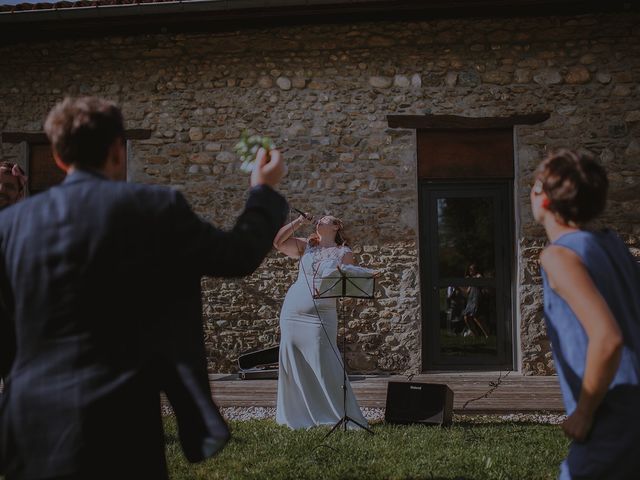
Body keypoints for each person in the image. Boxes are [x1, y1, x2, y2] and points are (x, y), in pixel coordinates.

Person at [0, 96, 288, 480]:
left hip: (32, 419)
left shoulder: (11, 226)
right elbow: (236, 255)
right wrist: (263, 191)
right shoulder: (156, 208)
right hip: (122, 413)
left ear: (57, 156)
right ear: (118, 150)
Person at [531, 149, 640, 479]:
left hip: (614, 413)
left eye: (534, 187)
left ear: (545, 200)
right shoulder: (614, 245)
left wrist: (584, 412)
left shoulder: (559, 257)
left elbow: (607, 339)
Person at [273, 214, 369, 430]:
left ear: (336, 226)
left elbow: (346, 284)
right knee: (293, 360)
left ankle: (336, 412)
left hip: (321, 315)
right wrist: (298, 221)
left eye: (326, 218)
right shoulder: (307, 246)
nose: (319, 220)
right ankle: (299, 413)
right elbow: (278, 242)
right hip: (292, 312)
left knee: (323, 360)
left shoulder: (345, 253)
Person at [0, 161, 27, 395]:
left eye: (9, 186)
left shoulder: (26, 226)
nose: (1, 190)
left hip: (13, 325)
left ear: (20, 193)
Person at [461, 263, 489, 338]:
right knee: (466, 317)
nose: (470, 271)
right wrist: (460, 287)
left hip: (476, 298)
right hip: (471, 299)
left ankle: (487, 334)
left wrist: (470, 279)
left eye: (471, 269)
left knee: (476, 317)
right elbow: (467, 291)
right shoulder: (472, 278)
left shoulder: (479, 276)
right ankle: (475, 333)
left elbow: (479, 282)